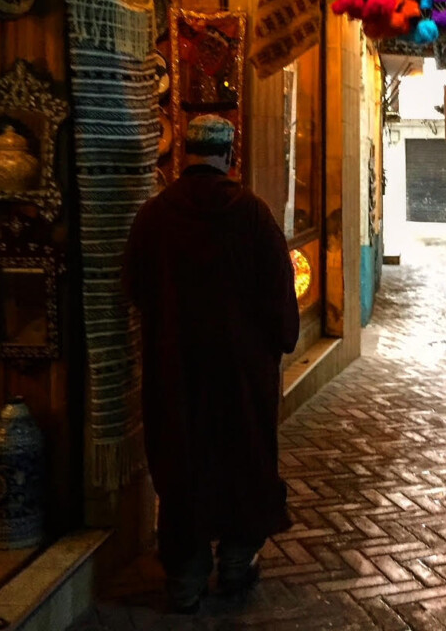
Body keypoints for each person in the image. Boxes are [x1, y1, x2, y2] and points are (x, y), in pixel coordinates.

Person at [122, 114, 299, 613]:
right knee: (243, 459)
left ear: (185, 155)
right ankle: (237, 563)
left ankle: (185, 575)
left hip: (173, 373)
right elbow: (279, 296)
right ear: (229, 156)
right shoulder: (254, 215)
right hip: (241, 375)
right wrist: (279, 342)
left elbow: (133, 289)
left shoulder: (153, 216)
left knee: (182, 465)